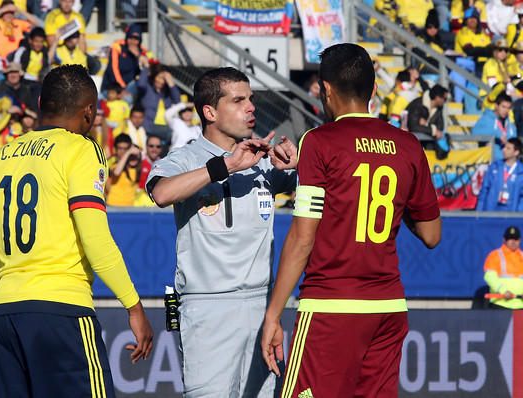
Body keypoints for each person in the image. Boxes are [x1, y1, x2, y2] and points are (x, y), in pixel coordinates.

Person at [260, 43, 442, 398]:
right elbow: (432, 235)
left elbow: (302, 237)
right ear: (374, 89)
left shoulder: (319, 141)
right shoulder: (407, 145)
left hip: (332, 307)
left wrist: (273, 314)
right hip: (389, 308)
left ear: (325, 90)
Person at [0, 64, 153, 396]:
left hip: (4, 318)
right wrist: (134, 306)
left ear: (41, 102)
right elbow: (95, 238)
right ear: (90, 112)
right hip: (62, 312)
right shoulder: (81, 150)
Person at [146, 66, 297, 397]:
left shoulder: (264, 157)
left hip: (262, 307)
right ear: (210, 112)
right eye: (238, 100)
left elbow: (324, 185)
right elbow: (161, 193)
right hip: (208, 308)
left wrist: (299, 164)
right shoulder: (186, 158)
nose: (251, 107)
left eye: (251, 99)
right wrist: (226, 166)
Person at [136, 62, 181, 143]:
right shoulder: (147, 88)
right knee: (174, 135)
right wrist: (146, 67)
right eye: (160, 77)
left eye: (164, 79)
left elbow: (178, 101)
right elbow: (140, 84)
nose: (162, 81)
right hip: (149, 125)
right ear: (154, 77)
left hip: (166, 125)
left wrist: (170, 82)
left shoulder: (167, 92)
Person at [100, 23, 146, 100]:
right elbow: (113, 70)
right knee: (127, 98)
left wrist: (138, 56)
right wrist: (122, 89)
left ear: (140, 40)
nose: (133, 41)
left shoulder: (142, 51)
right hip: (113, 86)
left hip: (129, 86)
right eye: (130, 38)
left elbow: (145, 71)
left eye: (136, 39)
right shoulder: (117, 47)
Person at [476, 138, 523, 211]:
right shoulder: (495, 166)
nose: (504, 150)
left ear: (516, 152)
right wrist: (479, 211)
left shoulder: (520, 171)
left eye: (508, 148)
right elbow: (484, 189)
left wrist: (518, 215)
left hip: (511, 214)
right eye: (504, 147)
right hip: (491, 211)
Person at [484, 226, 523, 309]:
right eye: (510, 238)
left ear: (519, 240)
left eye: (515, 239)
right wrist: (503, 291)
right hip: (500, 304)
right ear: (504, 240)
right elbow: (490, 277)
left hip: (520, 305)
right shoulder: (495, 256)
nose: (513, 242)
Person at [472, 93, 517, 162]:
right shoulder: (486, 118)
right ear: (496, 106)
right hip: (490, 163)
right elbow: (474, 133)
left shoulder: (510, 123)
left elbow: (514, 138)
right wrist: (496, 135)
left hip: (507, 163)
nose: (506, 110)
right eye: (503, 107)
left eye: (508, 108)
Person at [106, 133, 141, 207]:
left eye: (126, 149)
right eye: (120, 148)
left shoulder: (135, 166)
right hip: (113, 204)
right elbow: (116, 172)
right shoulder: (113, 163)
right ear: (115, 149)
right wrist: (128, 152)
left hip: (130, 207)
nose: (123, 151)